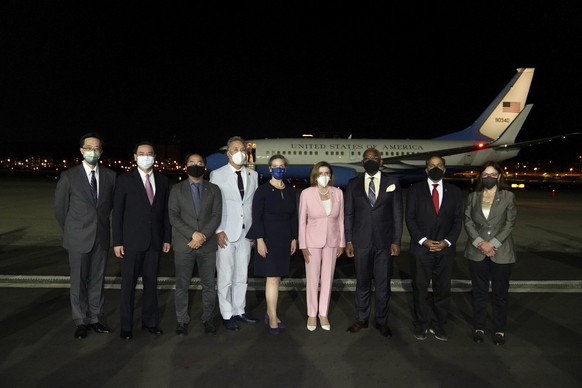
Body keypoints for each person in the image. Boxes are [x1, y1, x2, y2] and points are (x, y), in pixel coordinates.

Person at [54, 132, 117, 339]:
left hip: (100, 238)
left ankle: (95, 318)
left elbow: (110, 208)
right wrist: (73, 232)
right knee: (79, 282)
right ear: (81, 150)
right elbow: (60, 210)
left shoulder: (110, 176)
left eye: (97, 148)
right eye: (89, 148)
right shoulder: (69, 176)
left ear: (101, 151)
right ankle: (80, 320)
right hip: (78, 238)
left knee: (97, 280)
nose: (93, 151)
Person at [112, 141, 172, 340]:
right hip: (131, 243)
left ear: (155, 156)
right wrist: (117, 241)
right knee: (128, 286)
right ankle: (126, 326)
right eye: (142, 153)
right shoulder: (124, 180)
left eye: (150, 153)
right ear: (135, 157)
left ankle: (150, 322)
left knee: (150, 284)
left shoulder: (163, 181)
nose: (146, 156)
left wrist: (166, 238)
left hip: (154, 243)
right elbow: (117, 213)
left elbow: (164, 214)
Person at [344, 148, 403, 338]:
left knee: (383, 284)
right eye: (367, 158)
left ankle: (382, 321)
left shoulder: (392, 182)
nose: (371, 161)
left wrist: (396, 240)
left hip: (384, 243)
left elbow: (397, 214)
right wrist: (349, 240)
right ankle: (361, 319)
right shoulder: (353, 184)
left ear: (381, 161)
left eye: (374, 158)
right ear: (362, 162)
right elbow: (349, 214)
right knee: (362, 283)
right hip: (360, 242)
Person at [405, 155, 463, 341]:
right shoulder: (415, 190)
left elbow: (457, 221)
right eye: (432, 166)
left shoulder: (454, 191)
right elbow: (410, 219)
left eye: (439, 165)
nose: (435, 168)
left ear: (445, 169)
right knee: (420, 288)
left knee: (443, 289)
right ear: (426, 170)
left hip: (445, 250)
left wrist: (447, 241)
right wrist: (423, 240)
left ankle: (438, 325)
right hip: (421, 249)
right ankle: (421, 324)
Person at [169, 153, 222, 336]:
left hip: (207, 246)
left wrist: (202, 236)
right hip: (185, 245)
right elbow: (173, 216)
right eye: (192, 163)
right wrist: (192, 234)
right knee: (182, 285)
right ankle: (182, 320)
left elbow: (216, 216)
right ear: (186, 166)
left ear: (204, 167)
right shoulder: (177, 189)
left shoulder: (214, 189)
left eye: (199, 163)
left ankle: (208, 319)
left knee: (209, 284)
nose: (196, 165)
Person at [464, 161, 516, 346]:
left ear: (499, 176)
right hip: (477, 251)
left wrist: (492, 243)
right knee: (479, 292)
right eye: (485, 174)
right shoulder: (473, 196)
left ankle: (499, 329)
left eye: (493, 174)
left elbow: (509, 223)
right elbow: (468, 221)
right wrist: (480, 243)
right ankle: (479, 326)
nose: (489, 177)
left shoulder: (508, 196)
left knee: (500, 294)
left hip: (501, 251)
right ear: (480, 176)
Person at [209, 136, 259, 331]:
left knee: (242, 274)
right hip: (226, 233)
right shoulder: (217, 174)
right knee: (225, 275)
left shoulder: (253, 176)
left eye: (243, 149)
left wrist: (255, 231)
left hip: (246, 233)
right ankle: (226, 313)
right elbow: (215, 205)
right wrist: (218, 230)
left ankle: (240, 309)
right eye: (236, 149)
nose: (240, 152)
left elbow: (251, 205)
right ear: (228, 153)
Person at [246, 154, 298, 334]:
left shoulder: (290, 190)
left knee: (278, 277)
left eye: (282, 166)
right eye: (275, 166)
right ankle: (273, 317)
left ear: (285, 168)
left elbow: (293, 217)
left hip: (284, 239)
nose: (278, 169)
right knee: (273, 277)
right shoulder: (263, 190)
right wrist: (259, 240)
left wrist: (294, 238)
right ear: (269, 169)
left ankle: (270, 312)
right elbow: (257, 216)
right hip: (268, 239)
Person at [298, 161, 344, 331]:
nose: (324, 176)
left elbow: (341, 220)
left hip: (332, 241)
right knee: (312, 278)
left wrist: (341, 242)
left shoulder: (338, 193)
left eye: (327, 173)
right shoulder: (307, 194)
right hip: (312, 242)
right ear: (315, 176)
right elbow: (302, 221)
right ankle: (312, 313)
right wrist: (303, 245)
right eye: (320, 173)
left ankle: (323, 313)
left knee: (327, 278)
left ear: (331, 176)